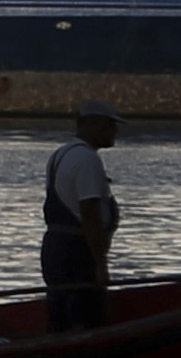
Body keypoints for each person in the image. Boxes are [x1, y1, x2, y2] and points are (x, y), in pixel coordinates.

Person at [39, 106, 123, 329]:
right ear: (91, 124)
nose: (115, 131)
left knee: (60, 314)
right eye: (110, 125)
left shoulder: (60, 155)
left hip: (54, 249)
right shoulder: (88, 160)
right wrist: (101, 264)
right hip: (77, 251)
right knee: (86, 317)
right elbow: (90, 215)